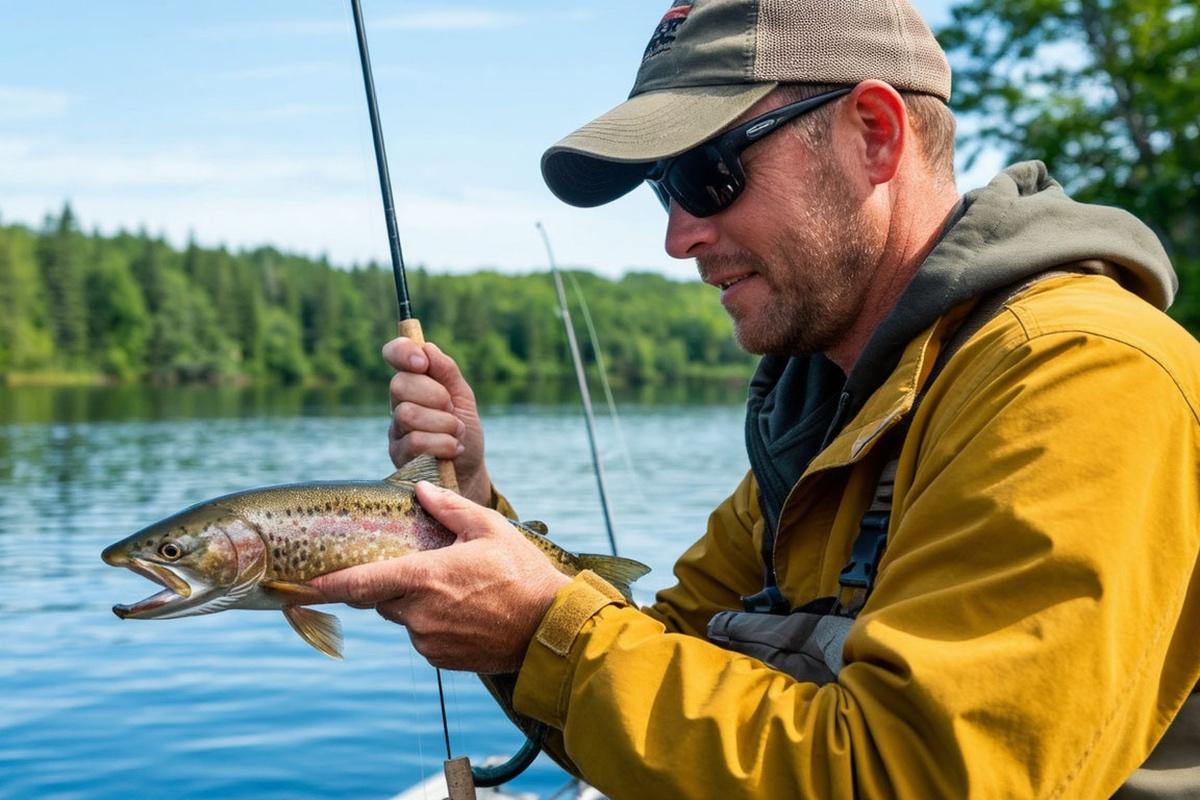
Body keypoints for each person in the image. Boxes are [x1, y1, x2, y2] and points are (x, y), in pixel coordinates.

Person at [313, 1, 1200, 796]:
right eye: (665, 187)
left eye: (705, 173)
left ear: (874, 134)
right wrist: (475, 520)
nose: (676, 236)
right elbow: (665, 667)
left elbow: (925, 776)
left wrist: (542, 626)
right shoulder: (827, 414)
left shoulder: (1078, 376)